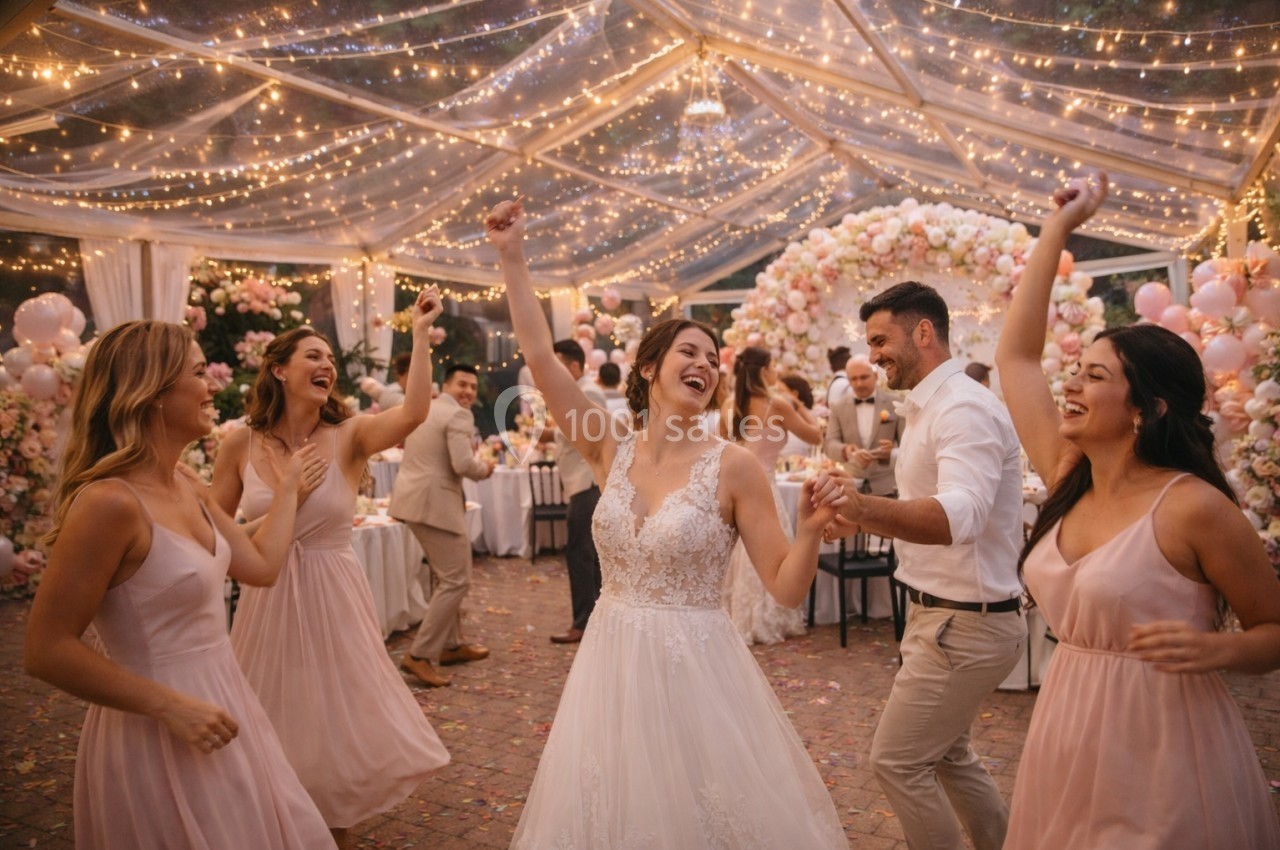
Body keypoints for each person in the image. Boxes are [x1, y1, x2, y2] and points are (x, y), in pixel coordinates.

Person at [487, 197, 849, 849]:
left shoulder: (735, 467)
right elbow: (541, 359)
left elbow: (787, 589)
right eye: (690, 352)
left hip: (698, 670)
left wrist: (814, 526)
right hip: (611, 657)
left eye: (713, 359)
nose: (706, 365)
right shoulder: (607, 447)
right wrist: (512, 257)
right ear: (650, 367)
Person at [995, 172, 1280, 849]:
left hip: (1164, 745)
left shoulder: (1194, 510)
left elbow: (1274, 628)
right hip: (1065, 729)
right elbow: (1015, 356)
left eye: (1096, 376)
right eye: (1078, 370)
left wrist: (1219, 648)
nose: (1072, 384)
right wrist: (1058, 229)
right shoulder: (1068, 476)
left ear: (1145, 409)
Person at [24, 320, 337, 849]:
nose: (213, 386)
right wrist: (170, 706)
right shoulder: (109, 503)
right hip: (154, 723)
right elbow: (45, 649)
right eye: (197, 373)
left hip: (224, 698)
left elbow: (260, 567)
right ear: (151, 393)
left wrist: (288, 492)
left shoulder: (186, 482)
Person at [211, 289, 450, 849]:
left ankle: (331, 834)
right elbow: (211, 530)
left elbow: (414, 412)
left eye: (330, 360)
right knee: (272, 714)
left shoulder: (350, 437)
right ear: (278, 370)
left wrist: (417, 335)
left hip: (333, 593)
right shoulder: (238, 443)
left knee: (331, 724)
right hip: (266, 598)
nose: (327, 366)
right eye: (313, 356)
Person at [828, 281, 1027, 850]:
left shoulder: (962, 407)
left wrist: (866, 508)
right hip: (941, 617)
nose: (872, 356)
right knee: (948, 754)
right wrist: (862, 518)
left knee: (896, 762)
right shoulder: (930, 404)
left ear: (923, 332)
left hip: (963, 623)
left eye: (881, 340)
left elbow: (959, 516)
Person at [391, 363, 497, 684]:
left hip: (413, 499)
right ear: (447, 384)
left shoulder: (427, 408)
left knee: (443, 576)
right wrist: (485, 468)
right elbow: (462, 463)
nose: (467, 392)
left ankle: (450, 646)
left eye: (472, 387)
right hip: (435, 505)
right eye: (462, 384)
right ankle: (420, 655)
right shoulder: (459, 415)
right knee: (456, 579)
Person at [722, 346, 823, 645]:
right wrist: (800, 405)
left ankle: (737, 614)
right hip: (764, 486)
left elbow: (719, 446)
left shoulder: (730, 404)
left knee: (740, 553)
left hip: (733, 485)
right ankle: (763, 617)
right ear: (765, 371)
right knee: (772, 554)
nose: (777, 371)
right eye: (774, 366)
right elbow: (815, 436)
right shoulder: (776, 404)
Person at [545, 338, 608, 644]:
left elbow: (591, 435)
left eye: (558, 366)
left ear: (572, 366)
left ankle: (583, 623)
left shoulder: (589, 392)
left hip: (587, 482)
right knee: (587, 554)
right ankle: (595, 619)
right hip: (580, 482)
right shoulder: (573, 394)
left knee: (580, 554)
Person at [825, 356, 904, 497]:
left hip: (887, 488)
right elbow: (829, 444)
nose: (859, 383)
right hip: (850, 487)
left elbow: (909, 447)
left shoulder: (895, 403)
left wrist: (891, 453)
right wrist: (846, 450)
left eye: (864, 377)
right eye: (854, 379)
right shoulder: (838, 406)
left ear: (875, 376)